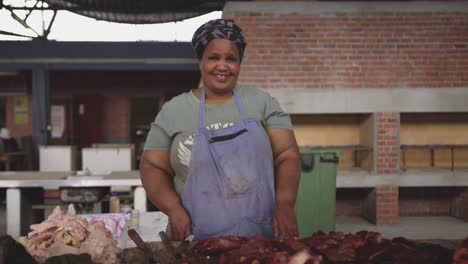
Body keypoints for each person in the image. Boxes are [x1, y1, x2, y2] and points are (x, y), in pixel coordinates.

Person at [140, 19, 301, 241]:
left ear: (240, 63)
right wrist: (173, 209)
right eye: (214, 57)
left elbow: (287, 155)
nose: (222, 66)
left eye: (231, 59)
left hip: (262, 240)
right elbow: (152, 166)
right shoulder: (174, 110)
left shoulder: (262, 103)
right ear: (201, 61)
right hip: (195, 239)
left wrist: (285, 204)